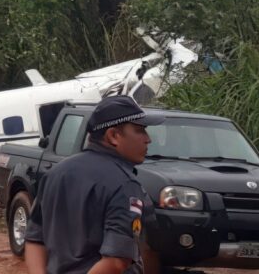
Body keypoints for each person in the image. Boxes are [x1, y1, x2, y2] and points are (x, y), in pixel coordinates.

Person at [25, 95, 163, 274]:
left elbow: (35, 239)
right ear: (113, 136)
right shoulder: (124, 184)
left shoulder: (56, 173)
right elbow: (116, 261)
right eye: (139, 130)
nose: (147, 139)